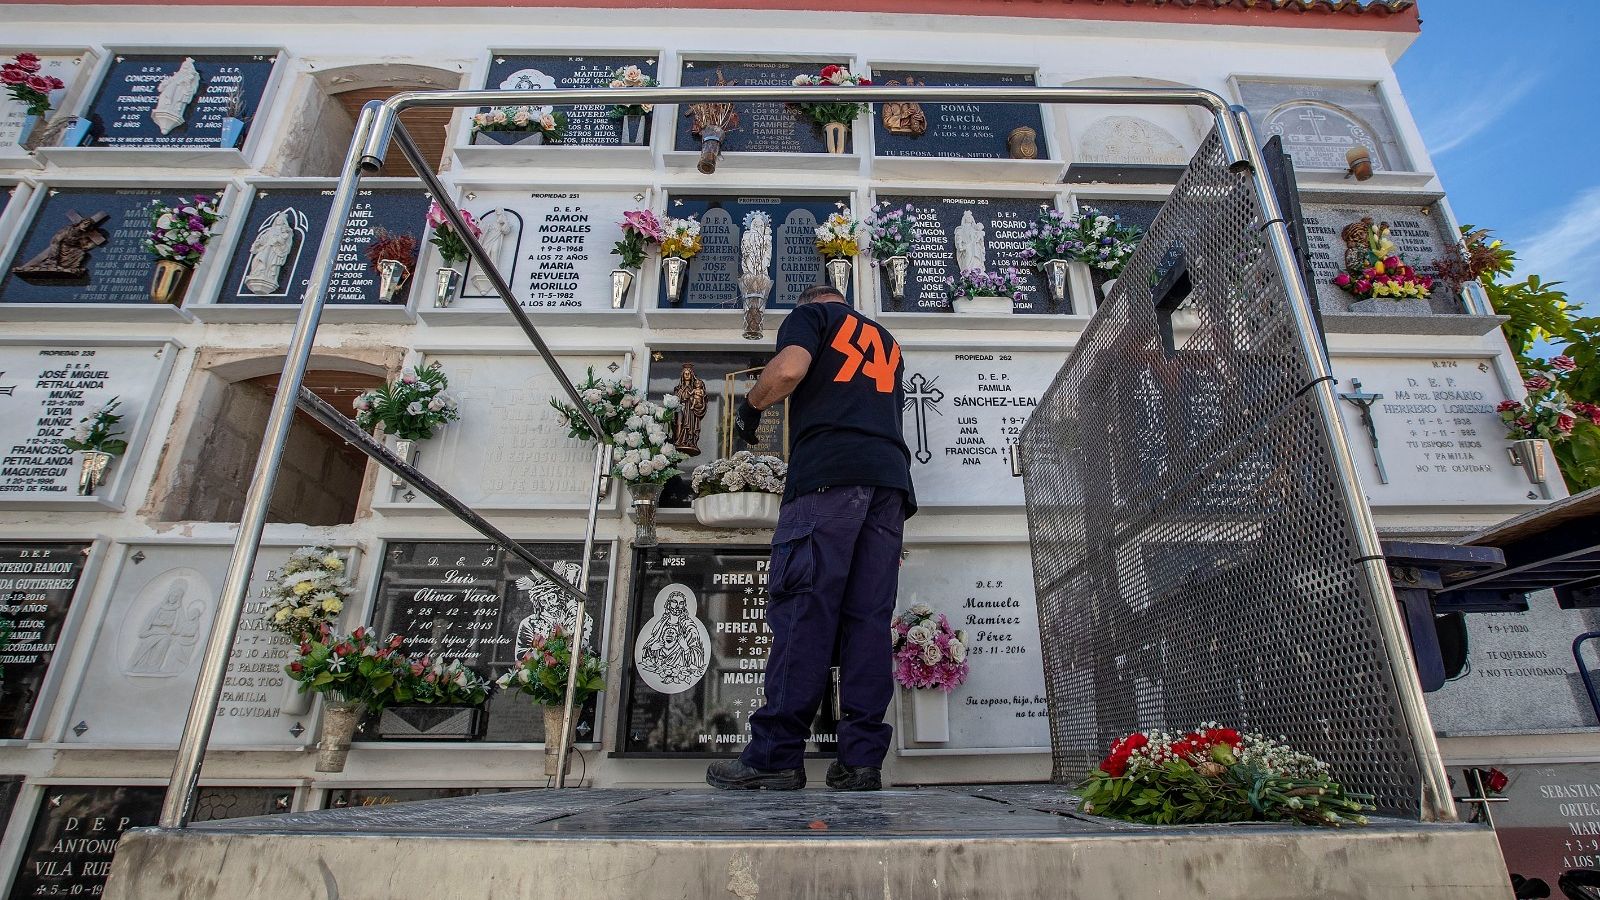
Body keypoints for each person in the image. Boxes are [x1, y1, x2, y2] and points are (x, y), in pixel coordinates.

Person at [706, 284, 915, 793]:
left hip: (827, 481)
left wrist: (752, 407)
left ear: (809, 302)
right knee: (867, 621)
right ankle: (861, 761)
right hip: (888, 486)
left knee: (804, 612)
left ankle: (776, 755)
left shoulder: (812, 319)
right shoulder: (885, 339)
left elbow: (789, 370)